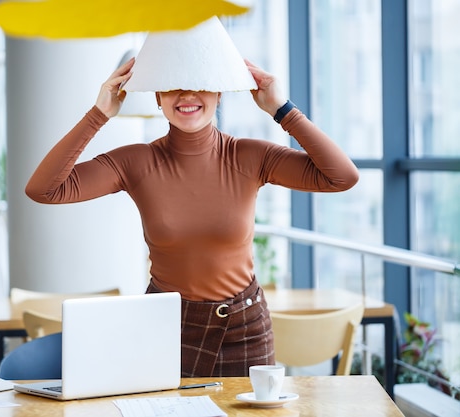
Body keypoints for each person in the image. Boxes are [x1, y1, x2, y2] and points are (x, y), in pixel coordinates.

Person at [25, 46, 359, 378]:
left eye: (200, 82)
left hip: (244, 329)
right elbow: (44, 189)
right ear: (157, 97)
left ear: (219, 93)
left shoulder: (248, 156)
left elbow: (341, 176)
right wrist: (99, 114)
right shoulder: (136, 162)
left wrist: (281, 109)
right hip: (163, 325)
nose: (186, 93)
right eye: (171, 83)